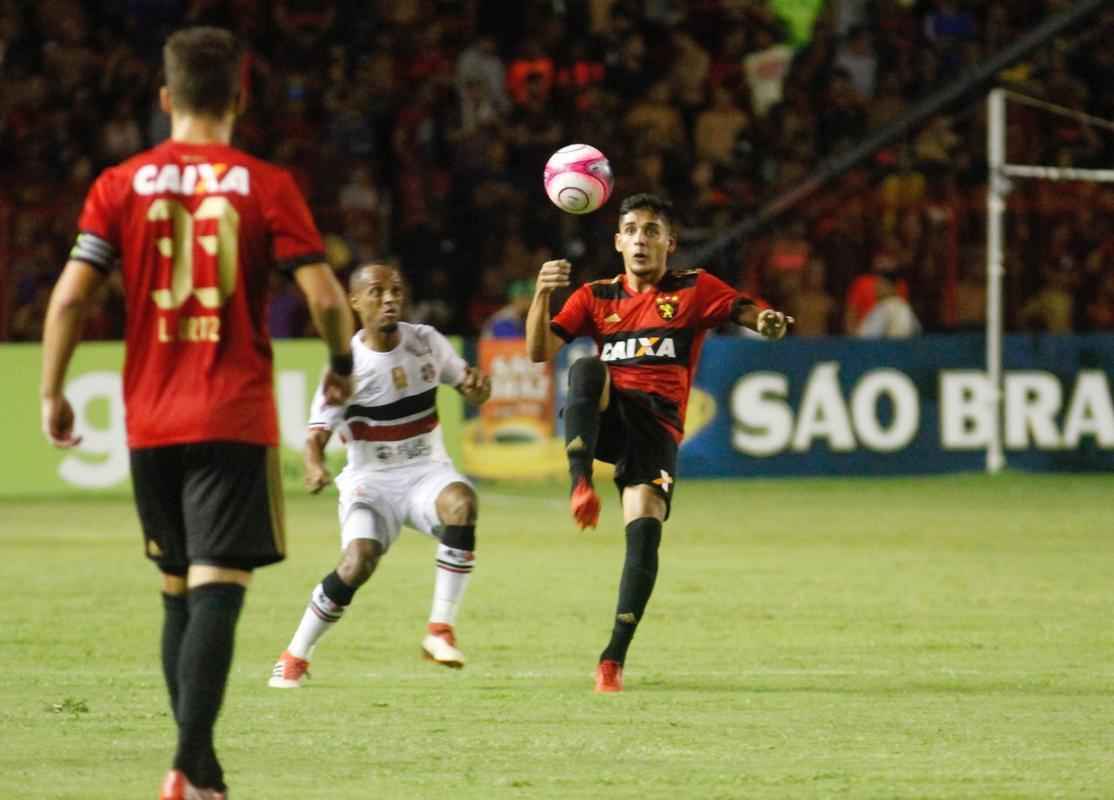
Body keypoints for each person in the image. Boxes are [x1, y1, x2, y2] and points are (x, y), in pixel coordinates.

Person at [38, 27, 355, 800]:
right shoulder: (267, 184)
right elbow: (321, 296)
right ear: (240, 100)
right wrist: (343, 365)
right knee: (218, 586)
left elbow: (74, 294)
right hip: (231, 412)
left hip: (150, 416)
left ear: (165, 99)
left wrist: (52, 389)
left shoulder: (118, 184)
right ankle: (187, 765)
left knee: (176, 586)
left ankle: (200, 771)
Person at [525, 193, 793, 693]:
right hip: (610, 416)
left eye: (651, 231)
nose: (641, 239)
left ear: (670, 243)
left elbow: (743, 309)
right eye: (631, 230)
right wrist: (542, 294)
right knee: (586, 367)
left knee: (645, 530)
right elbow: (539, 350)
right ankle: (579, 483)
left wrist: (767, 322)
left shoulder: (693, 288)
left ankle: (612, 659)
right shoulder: (595, 295)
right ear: (617, 242)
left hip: (657, 430)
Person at [269, 263, 492, 687]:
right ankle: (295, 655)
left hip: (427, 471)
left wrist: (478, 390)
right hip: (371, 482)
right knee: (357, 563)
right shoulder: (345, 367)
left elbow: (469, 385)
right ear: (355, 302)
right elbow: (317, 435)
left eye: (395, 290)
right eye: (376, 292)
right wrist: (315, 465)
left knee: (462, 504)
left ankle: (439, 630)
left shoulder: (426, 341)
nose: (389, 299)